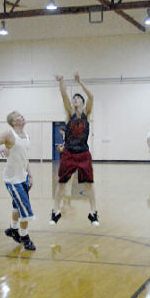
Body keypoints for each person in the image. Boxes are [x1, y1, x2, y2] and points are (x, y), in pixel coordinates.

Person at [51, 72, 99, 226]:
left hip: (83, 153)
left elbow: (91, 97)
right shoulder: (70, 113)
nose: (75, 99)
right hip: (69, 153)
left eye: (78, 98)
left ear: (82, 103)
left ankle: (93, 213)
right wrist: (61, 81)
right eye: (74, 98)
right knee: (62, 183)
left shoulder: (86, 114)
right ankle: (55, 211)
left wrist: (80, 82)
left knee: (89, 184)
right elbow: (64, 94)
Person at [0, 111, 36, 251]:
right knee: (25, 208)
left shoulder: (26, 135)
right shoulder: (9, 134)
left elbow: (25, 158)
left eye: (22, 115)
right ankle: (24, 237)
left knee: (16, 205)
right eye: (18, 117)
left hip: (23, 177)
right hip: (12, 179)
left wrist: (30, 175)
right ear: (14, 122)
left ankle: (13, 229)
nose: (22, 117)